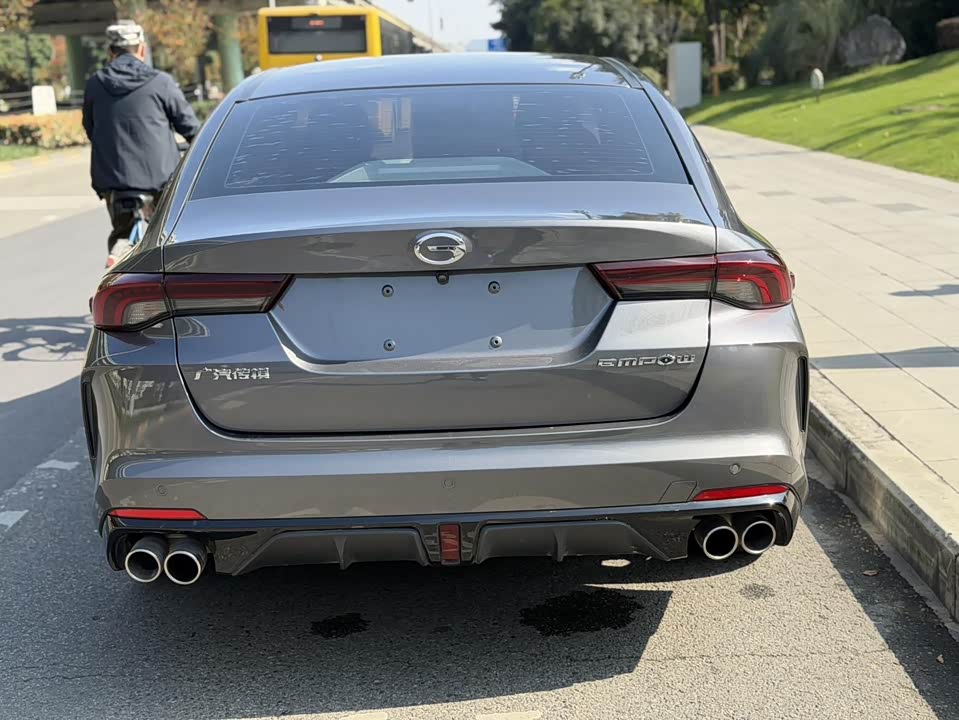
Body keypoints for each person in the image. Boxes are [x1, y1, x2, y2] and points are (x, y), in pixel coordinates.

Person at [82, 24, 200, 267]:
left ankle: (118, 257)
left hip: (114, 180)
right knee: (169, 236)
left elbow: (91, 128)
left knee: (122, 233)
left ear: (110, 52)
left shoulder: (95, 84)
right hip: (160, 178)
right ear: (142, 49)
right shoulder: (161, 82)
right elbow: (191, 129)